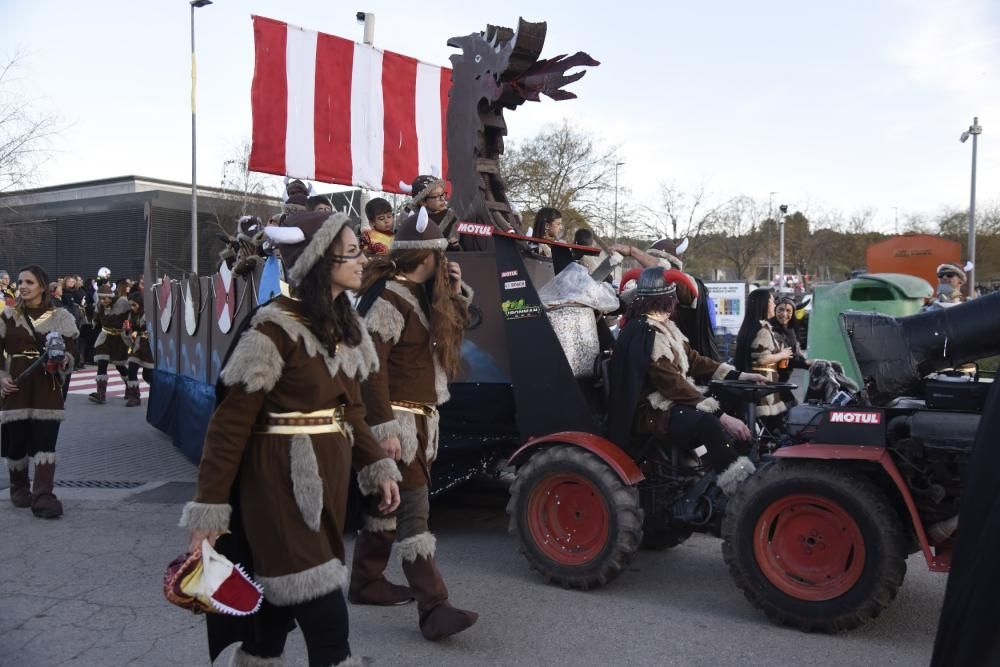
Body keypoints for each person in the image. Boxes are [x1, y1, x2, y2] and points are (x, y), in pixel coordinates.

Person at [180, 210, 402, 666]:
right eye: (354, 252)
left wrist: (377, 466)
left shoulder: (345, 327)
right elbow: (228, 426)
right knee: (326, 621)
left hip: (327, 488)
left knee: (273, 621)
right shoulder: (272, 329)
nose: (364, 260)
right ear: (322, 260)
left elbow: (352, 411)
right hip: (278, 486)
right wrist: (209, 510)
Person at [350, 208, 479, 640]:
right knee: (413, 510)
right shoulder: (389, 298)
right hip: (399, 424)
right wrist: (384, 431)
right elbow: (370, 370)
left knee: (386, 506)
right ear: (428, 257)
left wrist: (457, 294)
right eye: (441, 258)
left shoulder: (415, 296)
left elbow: (459, 329)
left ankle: (366, 581)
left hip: (419, 422)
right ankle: (434, 607)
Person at [607, 268, 767, 495]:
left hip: (669, 400)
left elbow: (693, 360)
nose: (677, 303)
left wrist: (739, 376)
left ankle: (717, 465)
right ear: (665, 300)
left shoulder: (663, 326)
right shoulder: (644, 332)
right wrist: (721, 417)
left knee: (732, 395)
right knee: (708, 423)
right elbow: (670, 383)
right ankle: (737, 489)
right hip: (649, 410)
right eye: (673, 298)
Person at [1, 264, 79, 518]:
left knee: (45, 442)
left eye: (29, 282)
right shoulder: (8, 316)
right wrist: (1, 376)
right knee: (16, 443)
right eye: (20, 281)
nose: (22, 286)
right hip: (16, 387)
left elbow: (71, 352)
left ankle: (43, 495)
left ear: (42, 287)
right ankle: (19, 486)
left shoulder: (61, 317)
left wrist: (62, 360)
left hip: (47, 386)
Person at [612, 237, 721, 361]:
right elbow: (616, 303)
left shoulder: (688, 287)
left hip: (695, 361)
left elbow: (668, 274)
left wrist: (633, 251)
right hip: (661, 359)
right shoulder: (646, 291)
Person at [734, 289, 790, 424]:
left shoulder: (749, 327)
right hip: (762, 384)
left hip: (751, 383)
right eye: (771, 301)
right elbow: (762, 358)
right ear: (763, 304)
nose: (774, 305)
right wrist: (782, 354)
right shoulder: (762, 330)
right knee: (764, 425)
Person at [89, 282, 130, 404]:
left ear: (111, 296)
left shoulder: (122, 303)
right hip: (105, 336)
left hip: (119, 337)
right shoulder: (100, 306)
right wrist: (94, 321)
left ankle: (131, 387)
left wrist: (128, 329)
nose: (103, 301)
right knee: (102, 362)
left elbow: (132, 316)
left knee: (120, 365)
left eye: (105, 298)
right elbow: (96, 318)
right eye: (101, 298)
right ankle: (101, 394)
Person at [123, 291, 152, 408]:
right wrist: (126, 330)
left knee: (148, 375)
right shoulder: (130, 315)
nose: (132, 307)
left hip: (148, 346)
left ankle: (158, 393)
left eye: (134, 305)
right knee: (132, 369)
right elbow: (128, 330)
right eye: (130, 305)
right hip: (136, 345)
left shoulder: (149, 314)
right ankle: (134, 397)